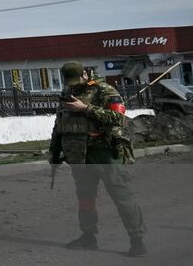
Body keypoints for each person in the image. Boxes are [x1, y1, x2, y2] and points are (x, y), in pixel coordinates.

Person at [48, 61, 145, 256]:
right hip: (80, 156)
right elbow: (59, 125)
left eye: (77, 80)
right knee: (85, 198)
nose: (74, 85)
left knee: (121, 196)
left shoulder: (104, 90)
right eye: (70, 82)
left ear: (85, 74)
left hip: (105, 153)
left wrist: (85, 108)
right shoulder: (68, 94)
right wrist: (54, 152)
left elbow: (119, 118)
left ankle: (137, 239)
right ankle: (88, 236)